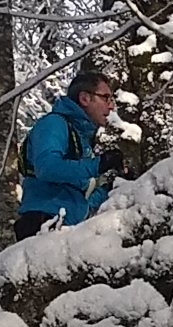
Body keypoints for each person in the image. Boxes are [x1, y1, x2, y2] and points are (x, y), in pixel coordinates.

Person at [11, 61, 119, 239]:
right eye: (106, 98)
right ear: (85, 98)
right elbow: (47, 168)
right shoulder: (54, 124)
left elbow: (77, 197)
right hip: (43, 225)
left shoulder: (80, 137)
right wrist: (98, 165)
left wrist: (110, 188)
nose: (111, 106)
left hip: (66, 227)